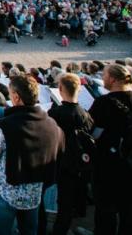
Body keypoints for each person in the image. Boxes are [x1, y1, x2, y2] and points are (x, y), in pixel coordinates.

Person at [0, 75, 64, 235]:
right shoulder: (51, 124)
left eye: (10, 93)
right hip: (33, 190)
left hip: (5, 190)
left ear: (16, 97)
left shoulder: (5, 125)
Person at [89, 63, 132, 235]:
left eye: (105, 75)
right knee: (129, 212)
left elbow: (93, 133)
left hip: (108, 164)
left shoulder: (103, 102)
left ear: (112, 79)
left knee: (105, 212)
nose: (103, 78)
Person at [46, 73, 94, 235]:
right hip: (81, 162)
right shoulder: (85, 113)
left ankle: (60, 230)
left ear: (60, 89)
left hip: (62, 162)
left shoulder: (55, 113)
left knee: (64, 202)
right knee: (74, 197)